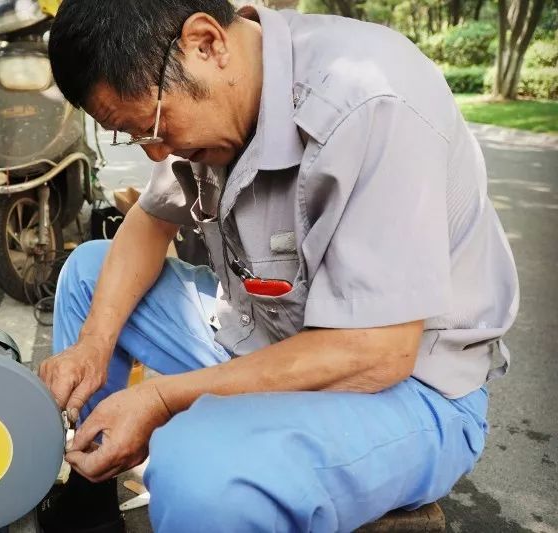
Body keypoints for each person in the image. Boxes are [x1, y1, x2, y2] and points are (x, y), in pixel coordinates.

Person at [37, 1, 520, 532]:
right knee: (89, 272)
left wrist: (158, 399)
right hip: (261, 334)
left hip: (407, 390)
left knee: (198, 469)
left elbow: (376, 353)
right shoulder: (210, 97)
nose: (154, 153)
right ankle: (89, 488)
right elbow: (150, 222)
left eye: (150, 127)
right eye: (132, 135)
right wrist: (93, 346)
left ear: (206, 43)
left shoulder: (372, 99)